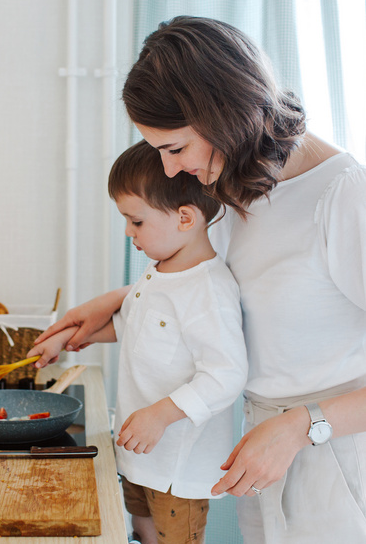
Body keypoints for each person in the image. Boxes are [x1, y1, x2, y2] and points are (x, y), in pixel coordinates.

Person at [35, 16, 366, 543]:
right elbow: (236, 293)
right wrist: (120, 305)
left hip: (332, 455)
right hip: (262, 440)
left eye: (174, 149)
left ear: (223, 114)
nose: (170, 172)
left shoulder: (343, 195)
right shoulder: (236, 183)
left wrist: (302, 426)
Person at [28, 139, 248, 544]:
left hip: (175, 471)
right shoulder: (158, 272)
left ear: (185, 218)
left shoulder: (207, 291)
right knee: (141, 530)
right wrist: (68, 339)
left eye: (137, 221)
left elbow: (226, 375)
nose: (129, 232)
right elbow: (132, 326)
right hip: (138, 455)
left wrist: (160, 415)